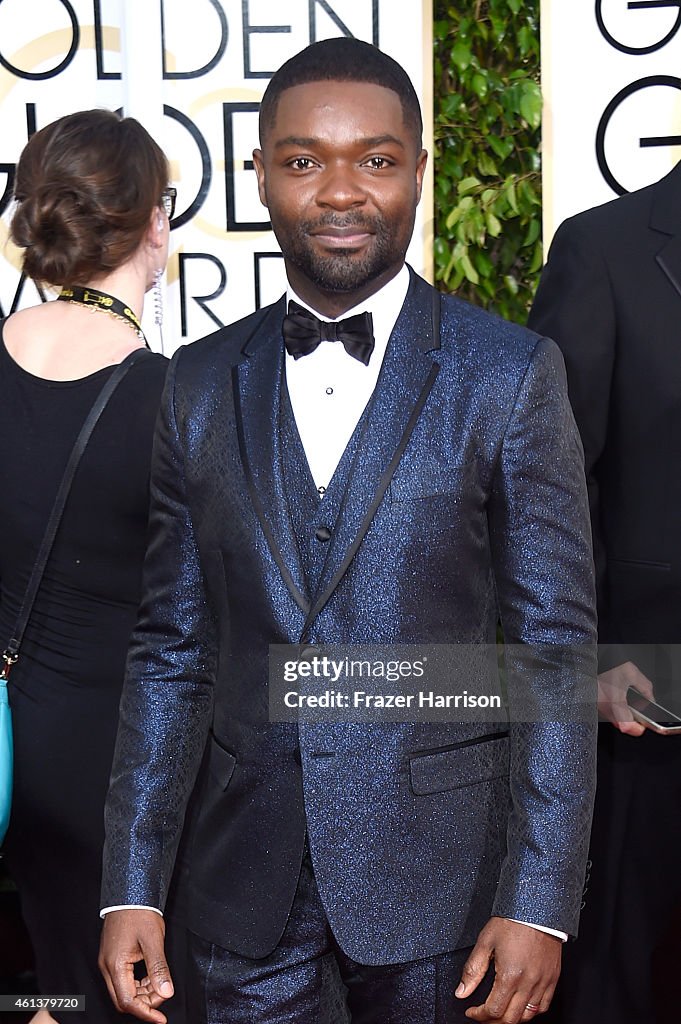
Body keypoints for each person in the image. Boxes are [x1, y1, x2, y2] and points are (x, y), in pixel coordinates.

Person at [99, 38, 597, 1024]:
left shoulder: (508, 375)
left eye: (374, 158)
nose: (339, 190)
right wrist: (132, 878)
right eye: (303, 160)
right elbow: (170, 649)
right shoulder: (194, 384)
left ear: (418, 169)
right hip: (242, 879)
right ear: (262, 176)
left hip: (446, 888)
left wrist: (539, 898)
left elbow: (553, 651)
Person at [0, 109, 175, 1024]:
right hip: (107, 762)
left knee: (48, 980)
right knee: (113, 992)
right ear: (155, 224)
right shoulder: (169, 400)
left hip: (1, 749)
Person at [528, 162, 681, 1024]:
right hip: (648, 693)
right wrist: (578, 662)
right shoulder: (605, 247)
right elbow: (551, 483)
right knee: (621, 976)